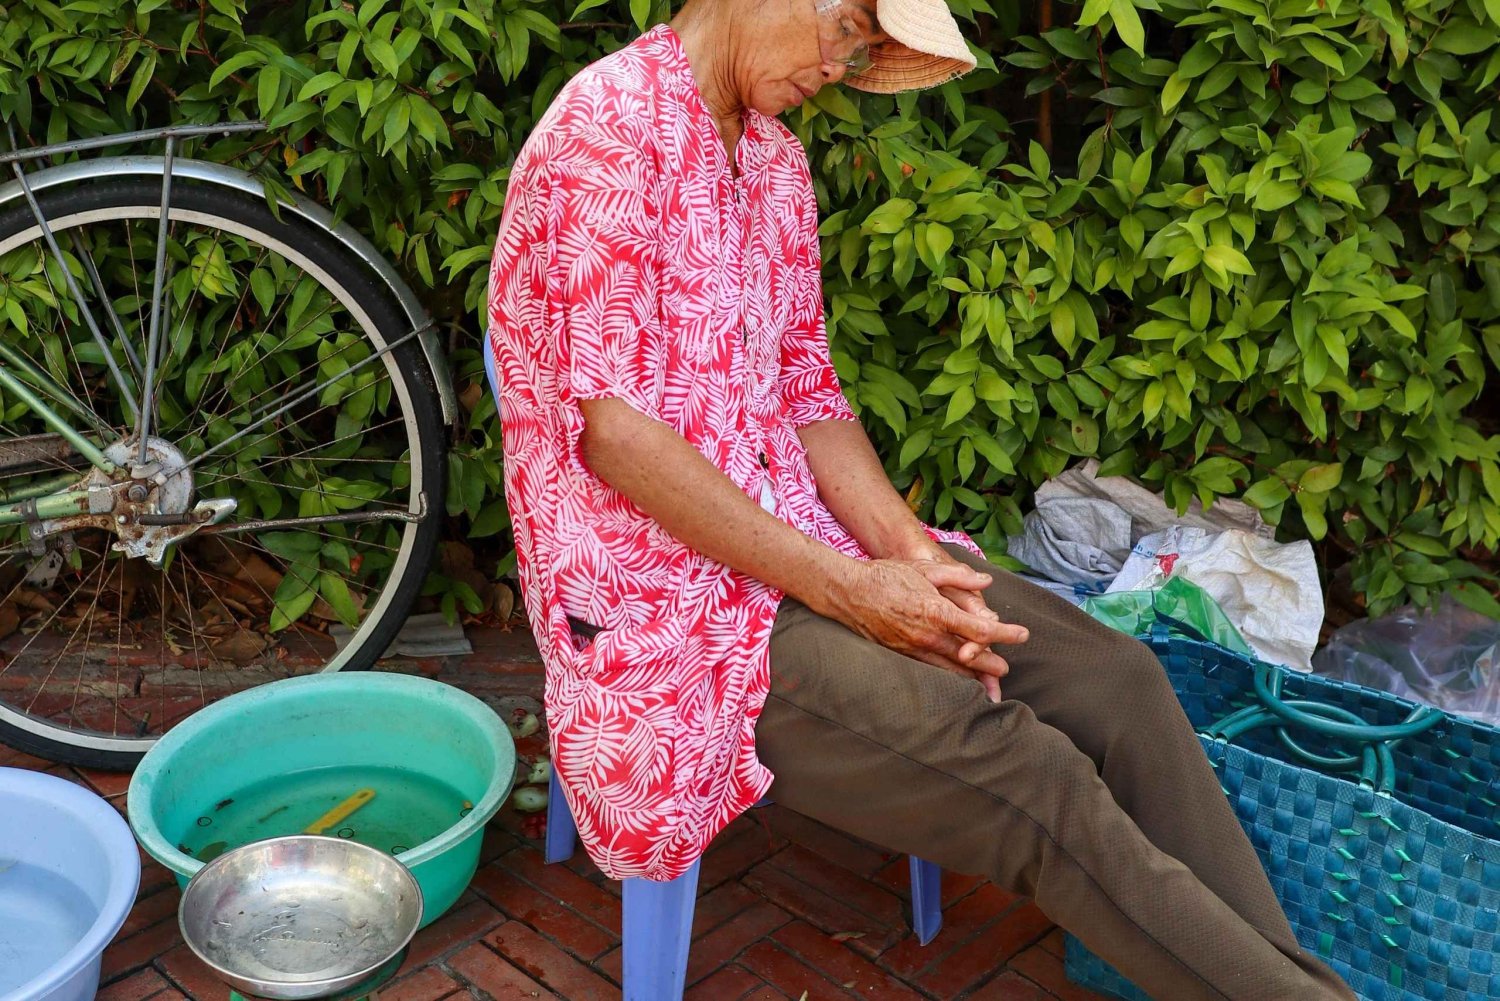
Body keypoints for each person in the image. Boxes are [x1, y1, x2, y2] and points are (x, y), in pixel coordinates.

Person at [485, 0, 1355, 997]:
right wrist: (853, 591)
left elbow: (808, 392)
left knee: (1116, 679)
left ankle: (1284, 981)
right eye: (848, 24)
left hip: (798, 545)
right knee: (1033, 777)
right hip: (667, 612)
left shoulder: (771, 163)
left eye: (863, 46)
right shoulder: (606, 128)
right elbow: (617, 436)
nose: (841, 63)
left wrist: (913, 560)